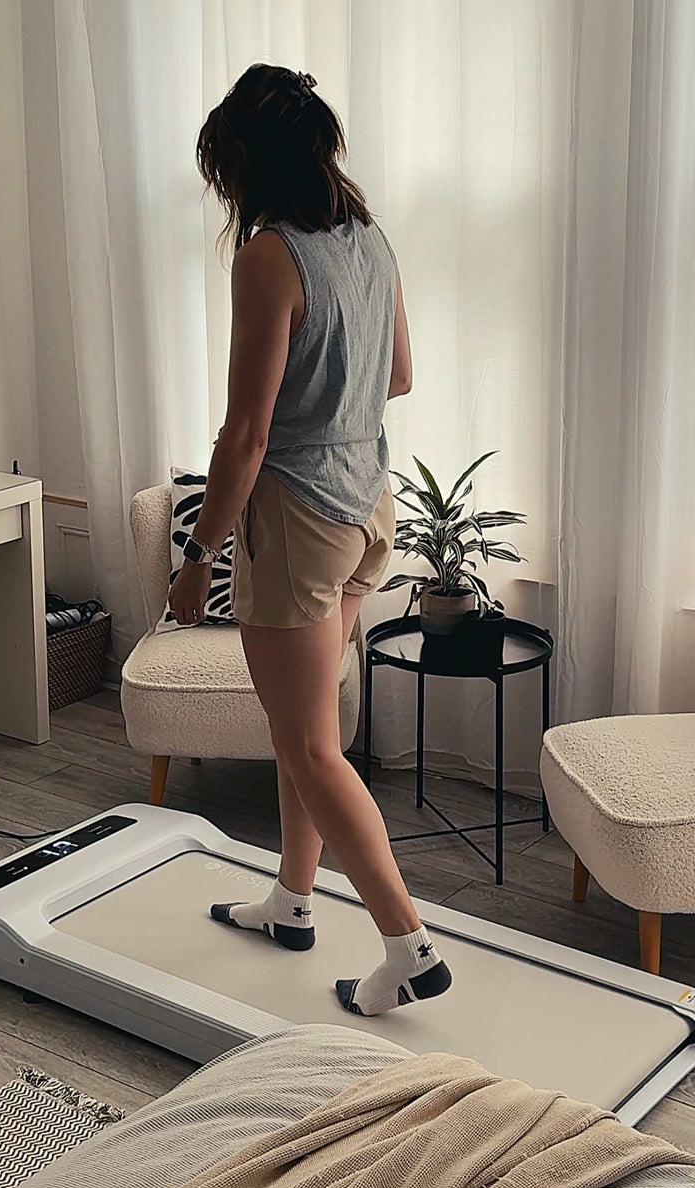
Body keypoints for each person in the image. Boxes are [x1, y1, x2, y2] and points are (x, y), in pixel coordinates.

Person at [167, 64, 451, 1016]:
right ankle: (293, 900)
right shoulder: (369, 241)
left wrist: (199, 553)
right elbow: (399, 375)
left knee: (309, 745)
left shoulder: (269, 257)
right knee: (309, 729)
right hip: (367, 507)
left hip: (294, 519)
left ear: (244, 161)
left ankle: (407, 947)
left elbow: (245, 434)